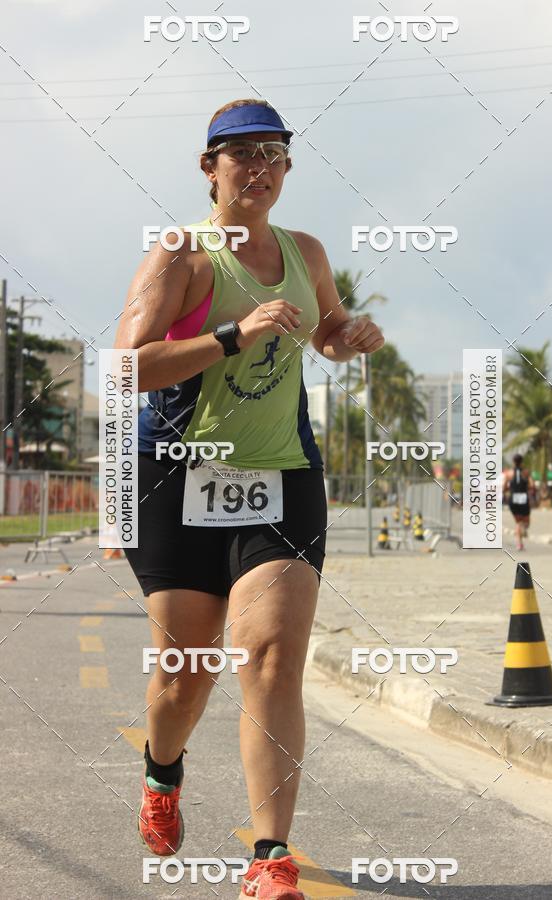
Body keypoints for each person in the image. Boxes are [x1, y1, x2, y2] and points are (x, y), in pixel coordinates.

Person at [115, 98, 384, 899]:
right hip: (176, 481)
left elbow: (324, 328)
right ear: (210, 169)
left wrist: (347, 336)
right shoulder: (180, 257)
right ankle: (163, 775)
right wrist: (235, 336)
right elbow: (129, 364)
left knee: (269, 660)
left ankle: (270, 857)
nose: (259, 168)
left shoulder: (304, 250)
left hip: (280, 479)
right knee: (183, 677)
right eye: (241, 155)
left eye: (273, 154)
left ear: (288, 168)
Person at [503, 454, 533, 551]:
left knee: (518, 522)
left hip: (513, 498)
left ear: (513, 462)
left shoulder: (508, 473)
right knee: (526, 522)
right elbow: (531, 485)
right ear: (522, 462)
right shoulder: (526, 473)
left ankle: (519, 544)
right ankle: (523, 531)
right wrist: (525, 487)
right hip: (523, 497)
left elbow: (504, 487)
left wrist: (510, 488)